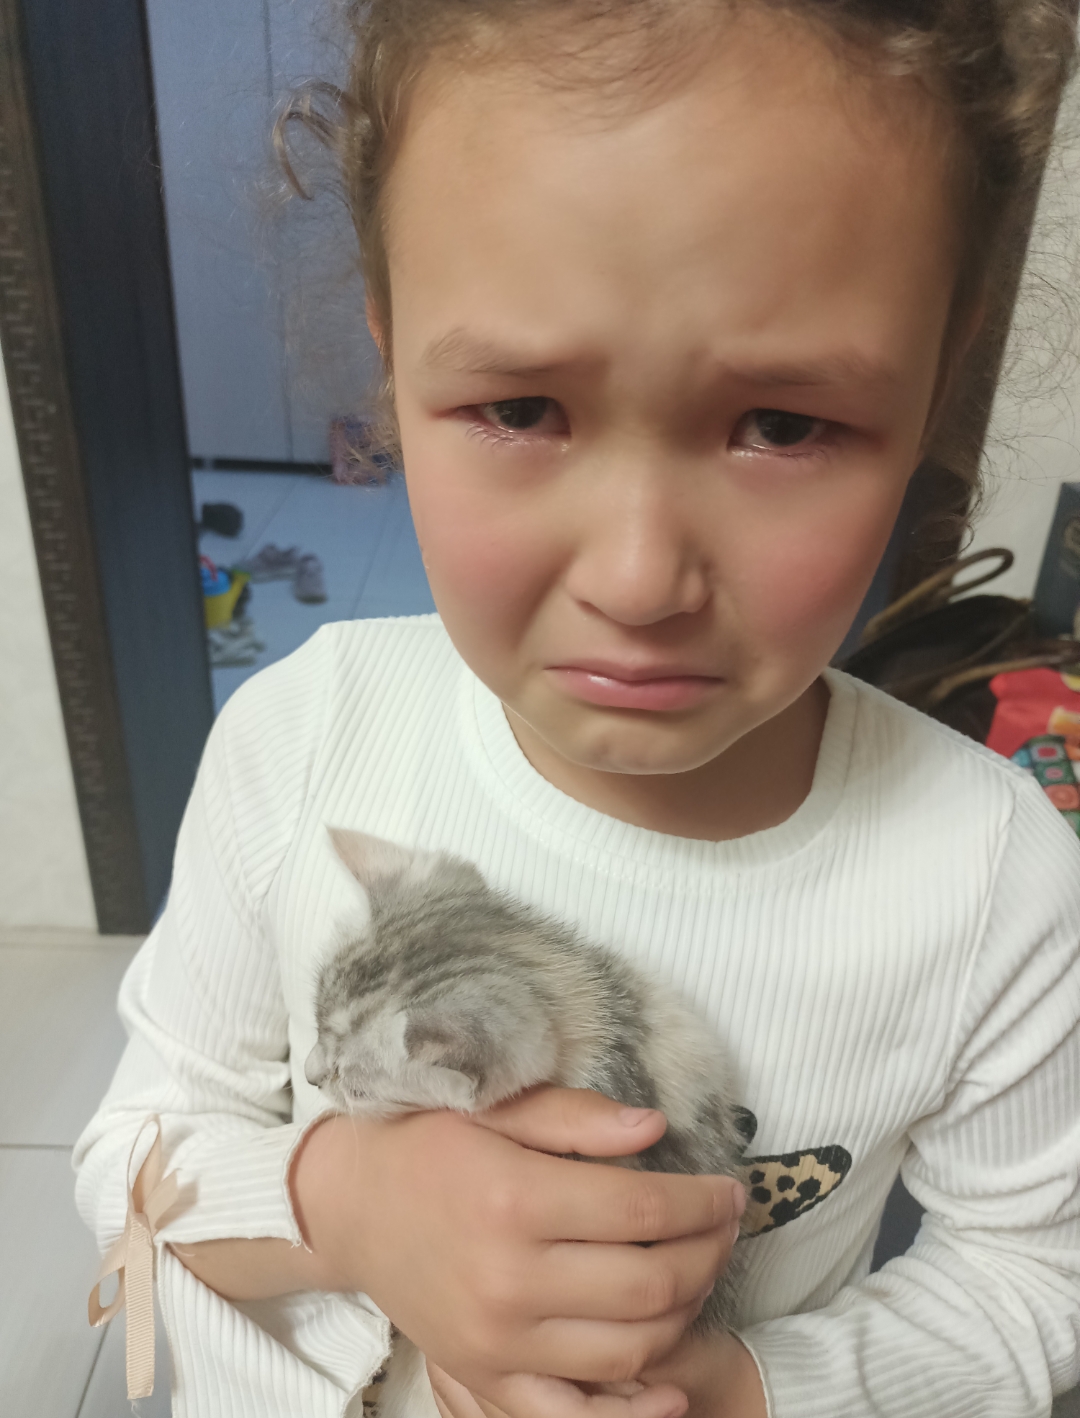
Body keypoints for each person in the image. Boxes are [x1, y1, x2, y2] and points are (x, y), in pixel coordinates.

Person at [75, 3, 1080, 1416]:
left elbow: (1035, 1276)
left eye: (784, 424)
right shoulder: (302, 737)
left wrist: (744, 1389)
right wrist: (341, 1200)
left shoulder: (996, 875)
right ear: (392, 355)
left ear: (937, 381)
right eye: (523, 408)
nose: (638, 577)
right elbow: (133, 1144)